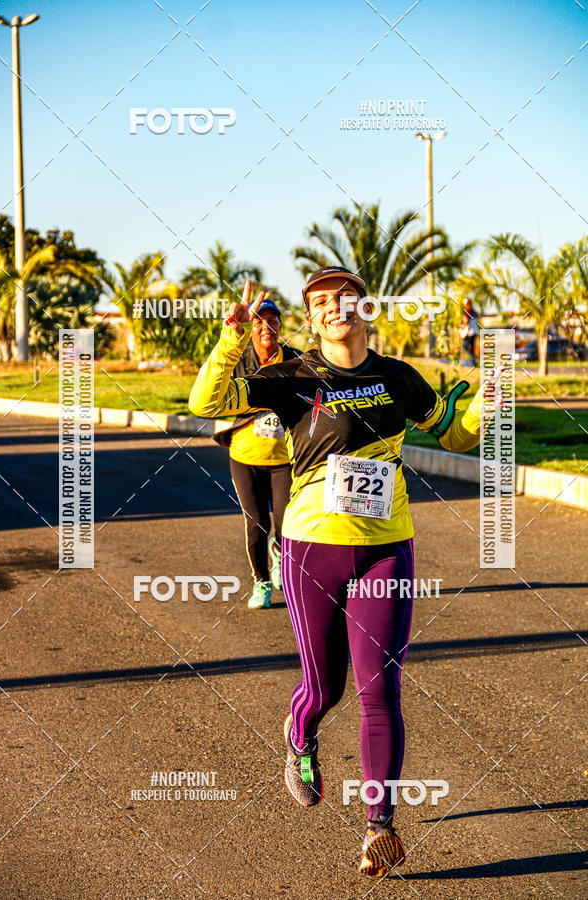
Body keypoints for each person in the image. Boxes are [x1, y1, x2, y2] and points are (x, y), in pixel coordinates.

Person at [190, 267, 492, 878]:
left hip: (386, 548)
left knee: (380, 689)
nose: (335, 308)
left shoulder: (398, 377)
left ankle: (379, 827)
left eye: (345, 297)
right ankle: (299, 735)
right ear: (312, 315)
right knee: (325, 688)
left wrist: (491, 395)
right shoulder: (289, 378)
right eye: (322, 301)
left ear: (366, 307)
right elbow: (207, 404)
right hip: (313, 549)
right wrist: (232, 337)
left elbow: (454, 433)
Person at [212, 296, 300, 609]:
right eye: (259, 321)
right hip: (245, 457)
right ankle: (261, 581)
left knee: (288, 522)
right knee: (256, 522)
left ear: (280, 326)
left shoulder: (296, 362)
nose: (266, 327)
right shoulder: (239, 361)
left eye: (272, 321)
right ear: (251, 328)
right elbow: (214, 389)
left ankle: (280, 555)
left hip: (284, 461)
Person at [460, 298, 479, 367]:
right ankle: (474, 363)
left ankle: (474, 358)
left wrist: (462, 328)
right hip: (475, 332)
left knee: (465, 347)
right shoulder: (475, 313)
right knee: (472, 348)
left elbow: (466, 322)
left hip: (469, 333)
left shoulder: (467, 313)